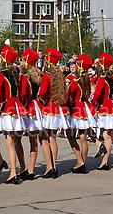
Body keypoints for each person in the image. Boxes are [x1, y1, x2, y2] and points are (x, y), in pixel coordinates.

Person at [0, 45, 27, 184]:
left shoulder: (2, 74)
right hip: (16, 105)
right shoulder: (16, 72)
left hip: (6, 106)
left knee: (8, 139)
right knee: (14, 139)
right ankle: (19, 167)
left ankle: (11, 171)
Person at [38, 48, 68, 178]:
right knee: (53, 138)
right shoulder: (61, 75)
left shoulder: (47, 75)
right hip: (57, 108)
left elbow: (43, 92)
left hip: (48, 108)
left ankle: (49, 167)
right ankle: (54, 166)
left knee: (43, 138)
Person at [92, 53, 113, 170]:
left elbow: (97, 94)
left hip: (105, 106)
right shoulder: (110, 77)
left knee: (106, 135)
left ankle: (105, 161)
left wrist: (94, 105)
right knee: (111, 131)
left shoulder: (101, 79)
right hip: (111, 104)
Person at [66, 54, 96, 173]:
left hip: (76, 108)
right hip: (84, 107)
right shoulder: (87, 80)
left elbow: (68, 97)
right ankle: (83, 162)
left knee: (71, 136)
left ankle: (80, 161)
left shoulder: (76, 81)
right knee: (83, 137)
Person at [18, 48, 42, 180]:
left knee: (17, 138)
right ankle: (31, 169)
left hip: (27, 107)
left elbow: (23, 95)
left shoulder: (24, 78)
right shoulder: (38, 76)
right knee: (33, 140)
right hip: (36, 107)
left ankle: (23, 167)